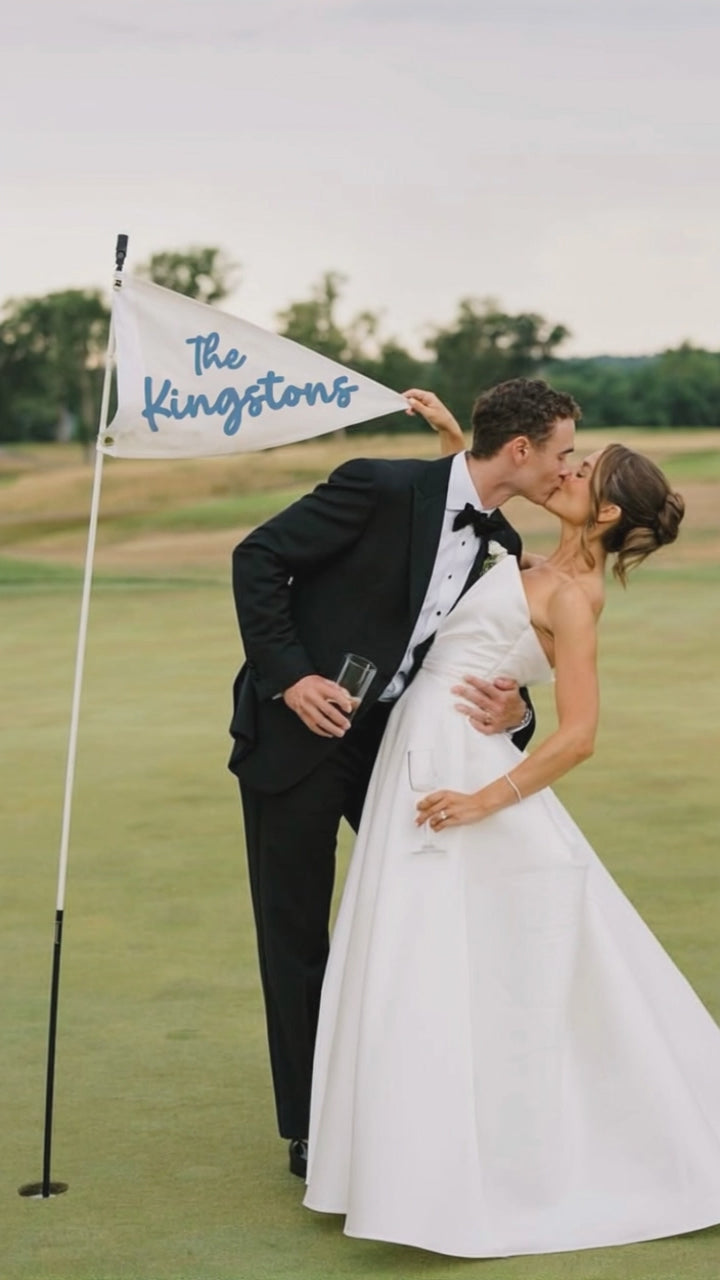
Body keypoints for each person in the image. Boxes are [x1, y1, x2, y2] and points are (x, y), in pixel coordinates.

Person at [303, 435, 720, 1257]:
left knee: (435, 957)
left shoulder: (574, 594)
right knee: (416, 950)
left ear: (604, 511)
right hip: (421, 750)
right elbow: (491, 490)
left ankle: (450, 1173)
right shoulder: (531, 556)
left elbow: (582, 736)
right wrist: (460, 442)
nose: (563, 470)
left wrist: (482, 799)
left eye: (581, 472)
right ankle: (401, 1158)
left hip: (456, 774)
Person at [229, 378, 580, 1176]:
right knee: (296, 935)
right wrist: (291, 678)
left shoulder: (500, 540)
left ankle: (422, 1094)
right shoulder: (377, 485)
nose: (569, 469)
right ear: (520, 450)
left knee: (425, 904)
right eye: (563, 455)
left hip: (397, 746)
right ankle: (314, 1125)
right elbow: (258, 557)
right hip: (298, 731)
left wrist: (512, 710)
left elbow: (482, 653)